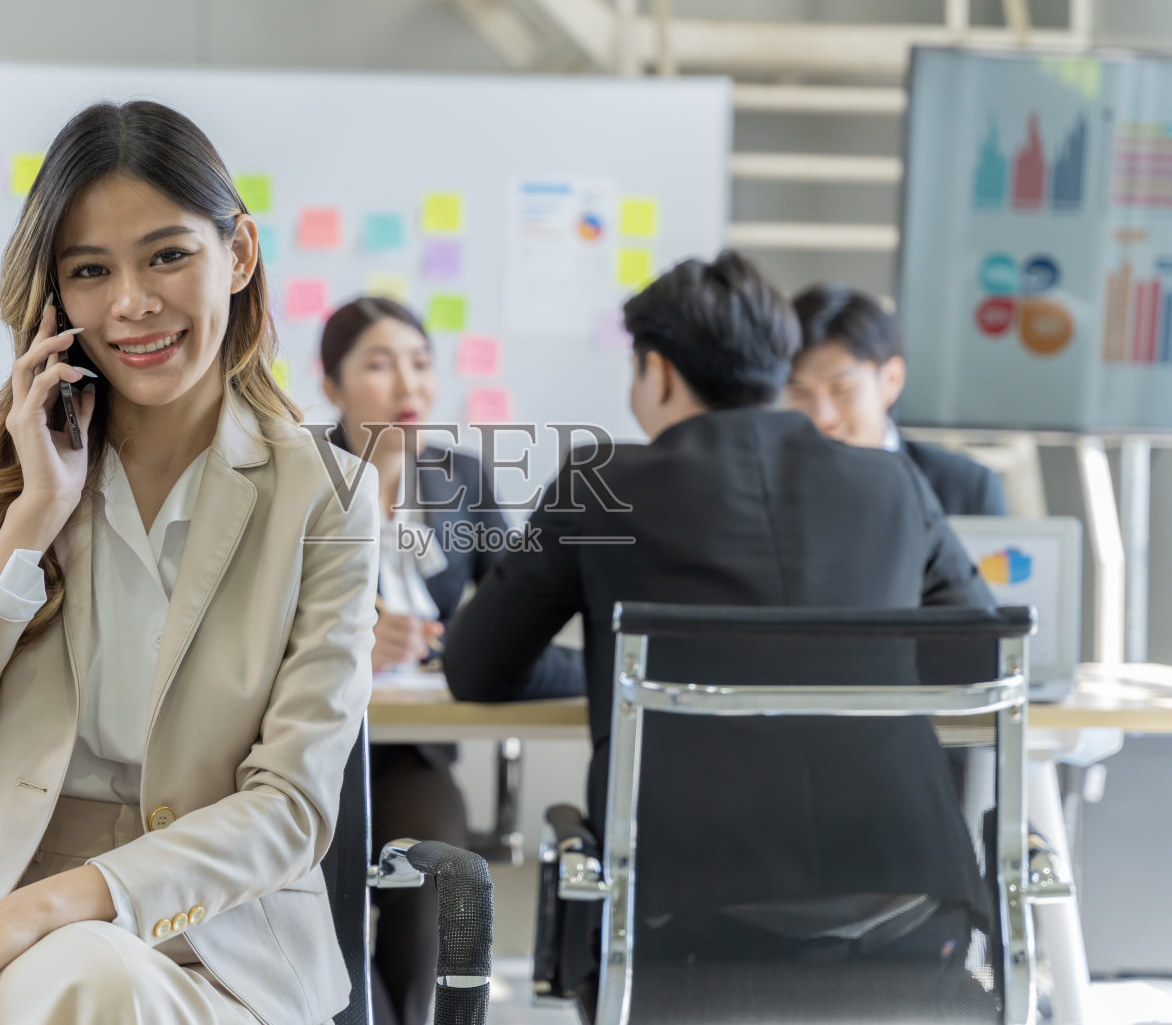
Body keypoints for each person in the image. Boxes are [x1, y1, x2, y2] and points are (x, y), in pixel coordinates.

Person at [0, 101, 379, 1025]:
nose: (132, 302)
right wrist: (30, 521)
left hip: (225, 951)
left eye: (168, 255)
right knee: (77, 982)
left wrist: (45, 911)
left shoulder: (324, 493)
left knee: (85, 976)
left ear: (240, 255)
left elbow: (291, 806)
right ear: (54, 299)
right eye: (90, 271)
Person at [443, 251, 995, 982]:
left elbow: (475, 667)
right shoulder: (891, 481)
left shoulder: (599, 485)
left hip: (678, 923)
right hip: (905, 906)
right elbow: (981, 658)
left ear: (659, 371)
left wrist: (626, 671)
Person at [317, 296, 582, 1025]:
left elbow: (511, 611)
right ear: (332, 384)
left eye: (421, 363)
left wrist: (465, 641)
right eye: (379, 364)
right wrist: (352, 649)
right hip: (306, 749)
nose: (409, 385)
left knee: (437, 873)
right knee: (326, 919)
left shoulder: (462, 477)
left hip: (411, 751)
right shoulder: (298, 474)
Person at [786, 284, 1007, 517]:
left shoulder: (964, 489)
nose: (822, 416)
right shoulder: (765, 489)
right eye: (800, 392)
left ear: (892, 379)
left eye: (841, 389)